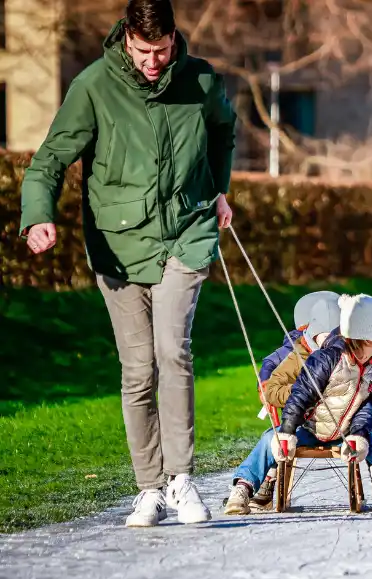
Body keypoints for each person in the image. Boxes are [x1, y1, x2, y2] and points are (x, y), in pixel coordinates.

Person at [18, 0, 237, 528]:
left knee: (172, 351)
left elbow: (223, 133)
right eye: (144, 51)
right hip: (117, 245)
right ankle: (149, 488)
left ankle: (181, 479)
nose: (154, 61)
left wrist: (221, 188)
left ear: (173, 37)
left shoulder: (200, 81)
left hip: (186, 233)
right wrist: (38, 216)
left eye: (162, 50)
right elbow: (49, 159)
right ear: (127, 41)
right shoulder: (95, 85)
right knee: (138, 371)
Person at [227, 294, 372, 516]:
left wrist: (358, 434)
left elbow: (368, 409)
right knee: (270, 439)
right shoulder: (327, 360)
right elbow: (300, 396)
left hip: (346, 433)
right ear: (370, 336)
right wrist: (287, 431)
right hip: (310, 428)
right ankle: (243, 488)